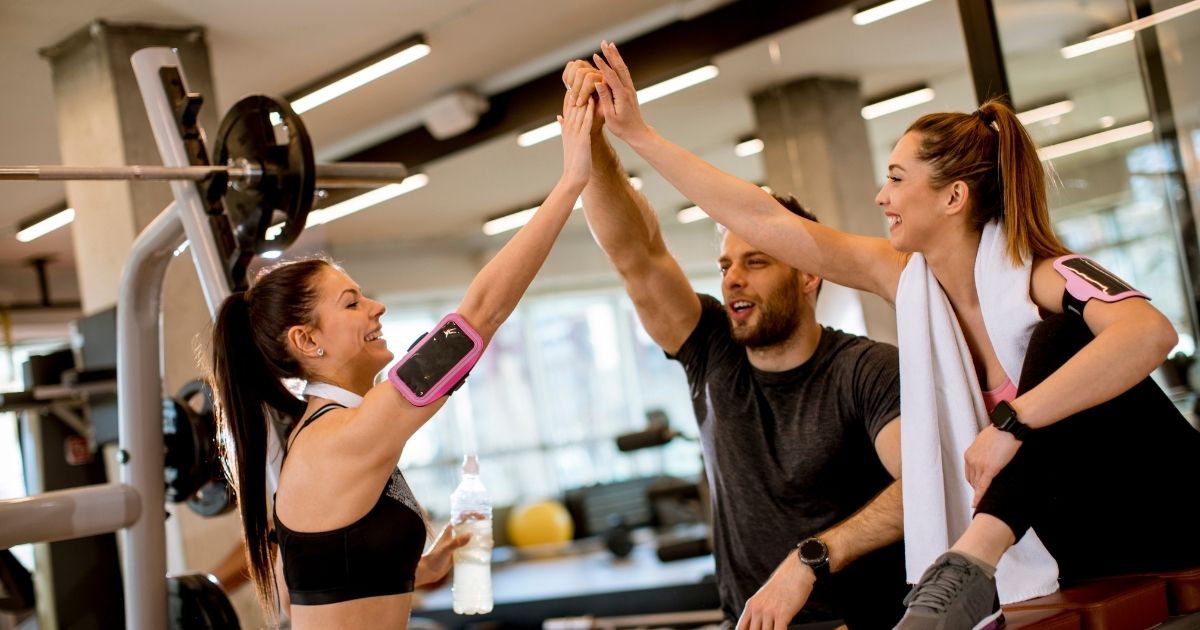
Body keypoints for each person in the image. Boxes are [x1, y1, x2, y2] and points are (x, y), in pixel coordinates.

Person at [582, 40, 1200, 630]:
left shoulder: (1044, 275)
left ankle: (970, 563)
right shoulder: (906, 281)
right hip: (1080, 541)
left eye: (898, 180)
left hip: (1161, 505)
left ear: (954, 196)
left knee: (1057, 341)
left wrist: (1013, 421)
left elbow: (1150, 331)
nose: (881, 197)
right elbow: (763, 219)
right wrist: (637, 134)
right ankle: (969, 567)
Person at [207, 92, 596, 629]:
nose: (377, 307)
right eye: (351, 303)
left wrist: (415, 566)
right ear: (307, 340)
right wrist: (571, 182)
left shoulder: (338, 429)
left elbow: (337, 578)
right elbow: (480, 314)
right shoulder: (341, 438)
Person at [563, 61, 909, 629]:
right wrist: (595, 136)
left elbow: (921, 485)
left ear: (808, 275)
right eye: (726, 265)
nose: (732, 279)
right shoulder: (712, 352)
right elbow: (636, 254)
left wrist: (810, 560)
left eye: (756, 261)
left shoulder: (866, 371)